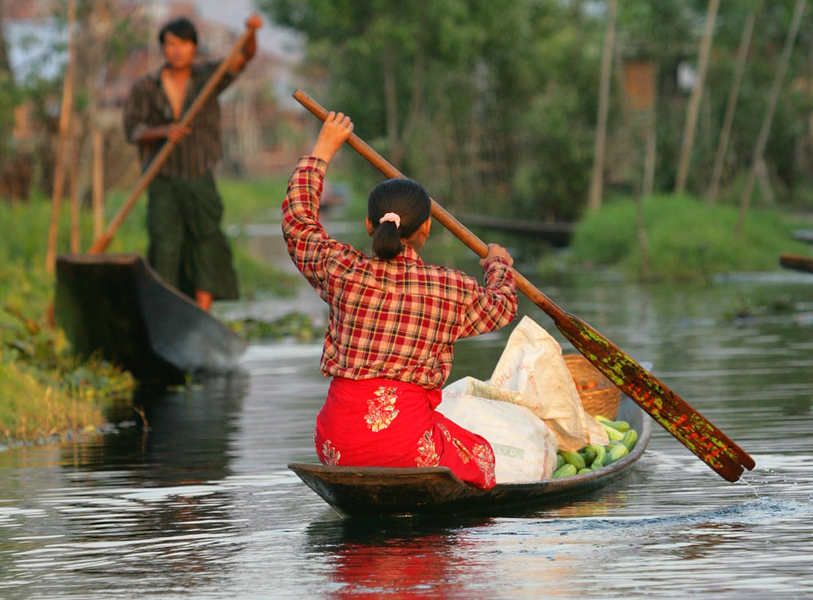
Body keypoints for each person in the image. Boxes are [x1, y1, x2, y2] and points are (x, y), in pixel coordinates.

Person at [281, 112, 518, 489]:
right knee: (483, 458)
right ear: (426, 228)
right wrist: (498, 263)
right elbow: (502, 304)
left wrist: (323, 149)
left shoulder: (341, 270)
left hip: (336, 442)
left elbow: (298, 221)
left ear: (368, 225)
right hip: (407, 446)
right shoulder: (449, 287)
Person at [123, 15, 262, 311]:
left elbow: (243, 57)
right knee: (165, 244)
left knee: (206, 238)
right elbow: (132, 130)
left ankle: (202, 310)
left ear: (194, 47)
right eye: (170, 44)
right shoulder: (146, 87)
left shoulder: (208, 76)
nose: (177, 50)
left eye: (183, 44)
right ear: (162, 48)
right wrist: (162, 131)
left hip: (199, 173)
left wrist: (251, 33)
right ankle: (167, 310)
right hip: (163, 176)